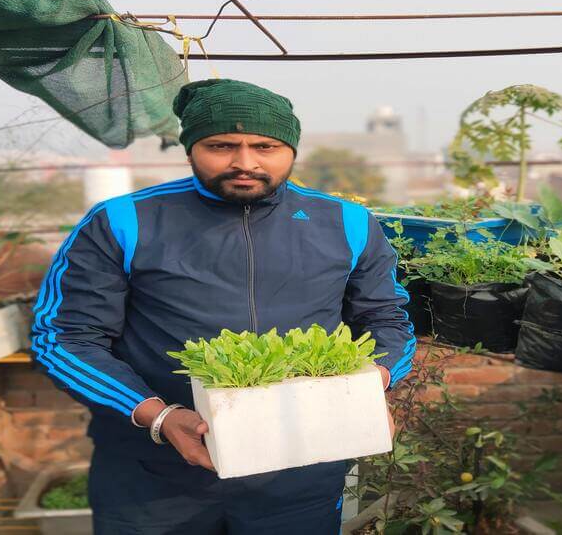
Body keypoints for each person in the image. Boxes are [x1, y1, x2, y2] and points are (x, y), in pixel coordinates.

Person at [30, 78, 415, 534]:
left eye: (265, 146)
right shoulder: (123, 221)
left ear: (291, 149)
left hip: (299, 472)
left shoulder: (346, 222)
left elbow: (386, 321)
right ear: (190, 147)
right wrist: (160, 416)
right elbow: (64, 338)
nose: (244, 162)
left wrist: (372, 383)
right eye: (221, 145)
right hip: (154, 475)